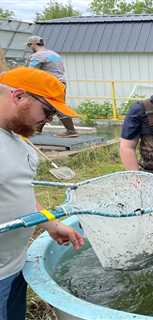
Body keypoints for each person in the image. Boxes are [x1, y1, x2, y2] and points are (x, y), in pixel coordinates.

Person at [0, 67, 84, 320]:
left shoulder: (20, 144)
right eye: (47, 111)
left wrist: (50, 224)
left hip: (14, 268)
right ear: (18, 96)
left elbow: (21, 192)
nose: (48, 120)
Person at [26, 35, 79, 138]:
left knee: (56, 106)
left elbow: (30, 72)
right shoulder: (54, 54)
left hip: (51, 84)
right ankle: (37, 129)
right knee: (46, 106)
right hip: (60, 83)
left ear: (33, 44)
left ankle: (71, 131)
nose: (29, 48)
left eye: (29, 45)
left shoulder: (38, 55)